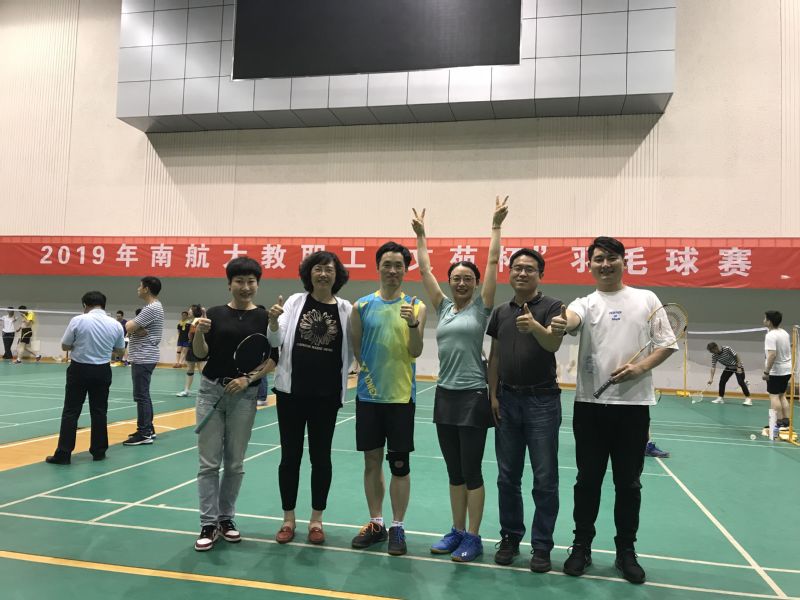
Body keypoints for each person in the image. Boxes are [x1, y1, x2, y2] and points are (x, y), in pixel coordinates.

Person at [552, 236, 678, 585]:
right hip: (590, 407)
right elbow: (572, 319)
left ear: (624, 261)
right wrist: (562, 322)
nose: (605, 264)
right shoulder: (585, 302)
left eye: (611, 258)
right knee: (587, 481)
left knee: (628, 484)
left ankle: (626, 552)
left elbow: (667, 343)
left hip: (633, 408)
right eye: (598, 259)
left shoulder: (646, 299)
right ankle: (581, 546)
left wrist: (640, 368)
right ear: (589, 265)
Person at [411, 197, 507, 563]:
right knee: (454, 472)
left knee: (471, 471)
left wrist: (495, 226)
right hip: (445, 395)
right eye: (456, 278)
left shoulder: (481, 307)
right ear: (450, 283)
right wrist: (421, 236)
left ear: (476, 283)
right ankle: (456, 529)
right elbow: (424, 271)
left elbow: (494, 261)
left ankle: (474, 536)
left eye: (468, 278)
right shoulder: (443, 307)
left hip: (472, 397)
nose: (462, 282)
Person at [191, 257, 278, 552]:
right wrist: (200, 333)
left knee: (235, 463)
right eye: (239, 281)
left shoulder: (264, 317)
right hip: (211, 393)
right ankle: (208, 523)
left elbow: (273, 359)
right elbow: (200, 354)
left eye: (251, 281)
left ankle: (226, 518)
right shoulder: (215, 314)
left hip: (244, 395)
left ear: (258, 284)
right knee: (208, 463)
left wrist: (247, 379)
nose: (245, 287)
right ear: (229, 284)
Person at [487, 248, 566, 573]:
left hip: (542, 402)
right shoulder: (500, 312)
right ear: (510, 273)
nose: (522, 273)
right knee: (507, 477)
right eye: (517, 268)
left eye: (529, 269)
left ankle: (542, 546)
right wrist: (493, 395)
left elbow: (553, 344)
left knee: (545, 479)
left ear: (540, 275)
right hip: (506, 400)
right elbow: (495, 356)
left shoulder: (554, 307)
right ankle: (510, 537)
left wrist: (534, 326)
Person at [267, 251, 354, 546]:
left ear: (337, 275)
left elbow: (352, 348)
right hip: (291, 394)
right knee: (290, 457)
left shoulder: (346, 309)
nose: (323, 274)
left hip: (326, 397)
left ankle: (316, 520)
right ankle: (288, 519)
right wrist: (273, 323)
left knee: (321, 458)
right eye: (318, 269)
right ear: (309, 273)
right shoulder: (295, 302)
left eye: (329, 269)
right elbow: (276, 341)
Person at [349, 241, 426, 556]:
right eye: (387, 264)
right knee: (371, 461)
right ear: (378, 267)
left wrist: (412, 324)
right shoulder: (361, 306)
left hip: (401, 398)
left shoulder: (416, 306)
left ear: (405, 270)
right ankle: (376, 523)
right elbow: (358, 350)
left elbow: (416, 351)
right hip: (369, 397)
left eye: (398, 265)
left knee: (399, 465)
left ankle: (397, 527)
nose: (393, 270)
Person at [45, 292, 126, 464]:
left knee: (71, 412)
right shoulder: (116, 324)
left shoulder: (78, 320)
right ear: (103, 305)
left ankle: (64, 453)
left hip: (79, 370)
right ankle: (99, 452)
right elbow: (120, 351)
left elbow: (65, 345)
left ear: (85, 305)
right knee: (99, 411)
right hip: (102, 370)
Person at [124, 276, 164, 446]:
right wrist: (137, 328)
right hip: (143, 355)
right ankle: (148, 428)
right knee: (143, 394)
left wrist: (134, 327)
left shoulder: (152, 308)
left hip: (144, 356)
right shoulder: (153, 307)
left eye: (140, 286)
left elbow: (128, 327)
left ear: (146, 289)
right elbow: (134, 328)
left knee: (141, 396)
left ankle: (144, 432)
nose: (138, 289)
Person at [763, 310, 791, 436]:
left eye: (765, 318)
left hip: (776, 371)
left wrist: (766, 372)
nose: (763, 320)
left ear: (769, 321)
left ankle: (777, 424)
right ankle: (785, 423)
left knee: (774, 397)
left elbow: (772, 355)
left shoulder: (770, 335)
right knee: (782, 396)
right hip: (787, 370)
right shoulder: (784, 333)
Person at [177, 305, 205, 397]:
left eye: (190, 310)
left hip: (199, 347)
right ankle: (186, 390)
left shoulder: (199, 320)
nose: (188, 311)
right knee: (190, 369)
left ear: (194, 311)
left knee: (202, 370)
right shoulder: (191, 321)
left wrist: (204, 313)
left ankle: (206, 389)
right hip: (191, 347)